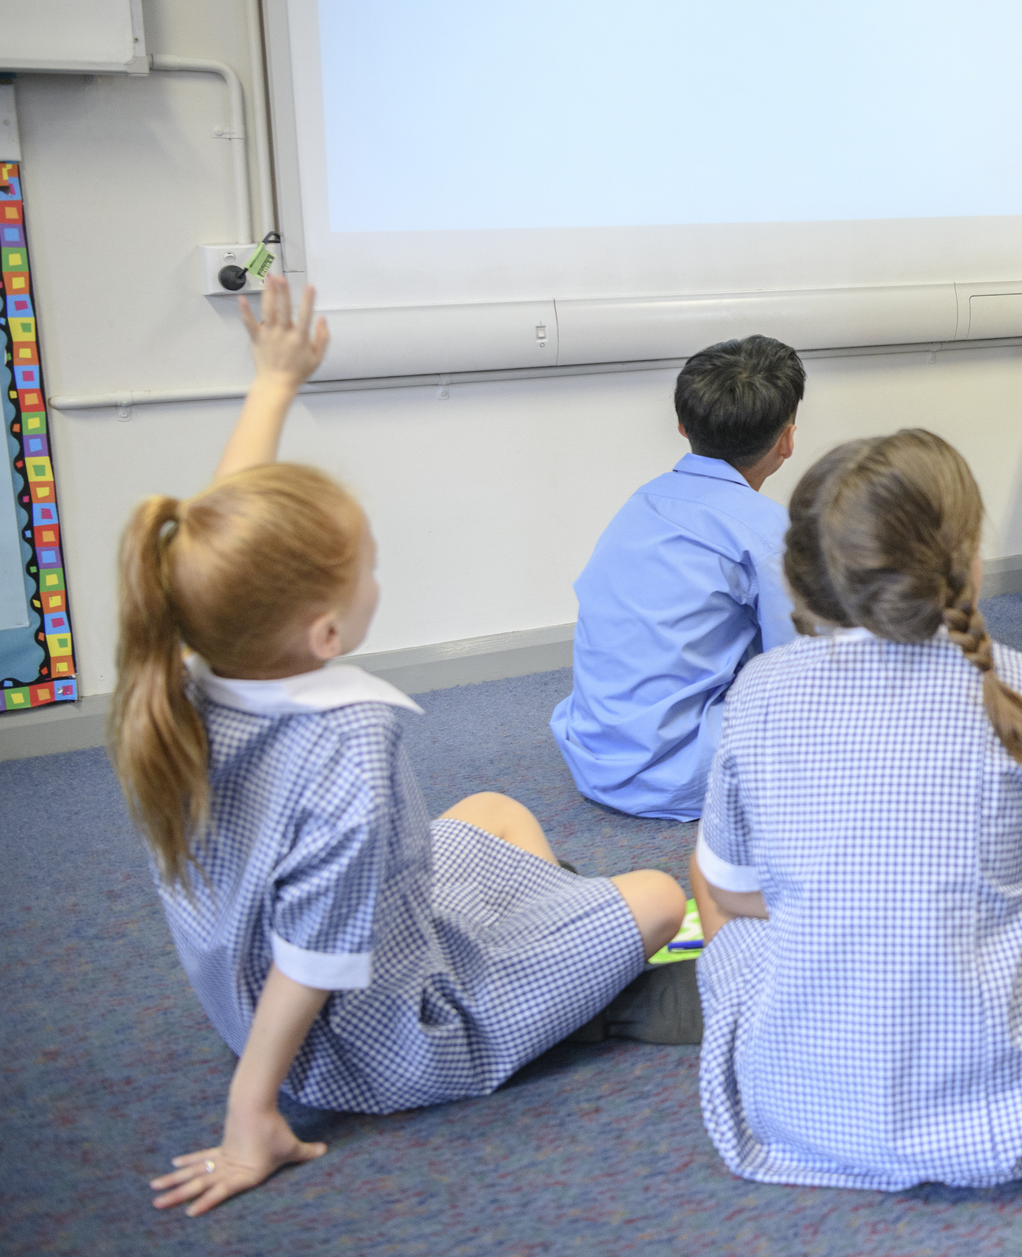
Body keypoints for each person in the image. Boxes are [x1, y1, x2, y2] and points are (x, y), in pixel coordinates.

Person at [123, 278, 694, 1218]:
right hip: (378, 1035)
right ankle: (559, 998)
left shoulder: (188, 664)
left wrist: (273, 385)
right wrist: (248, 1114)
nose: (376, 576)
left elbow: (226, 522)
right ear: (323, 632)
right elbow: (312, 957)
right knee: (659, 895)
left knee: (497, 813)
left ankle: (556, 957)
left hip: (285, 979)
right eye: (366, 568)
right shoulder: (348, 746)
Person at [693, 430, 1022, 1189]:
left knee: (708, 871)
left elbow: (734, 896)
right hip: (1010, 1120)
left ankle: (803, 1044)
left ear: (802, 571)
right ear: (964, 557)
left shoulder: (758, 692)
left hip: (792, 1117)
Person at [551, 335, 804, 820]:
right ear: (787, 439)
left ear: (683, 427)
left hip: (591, 754)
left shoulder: (642, 502)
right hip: (675, 773)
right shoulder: (769, 532)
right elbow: (800, 668)